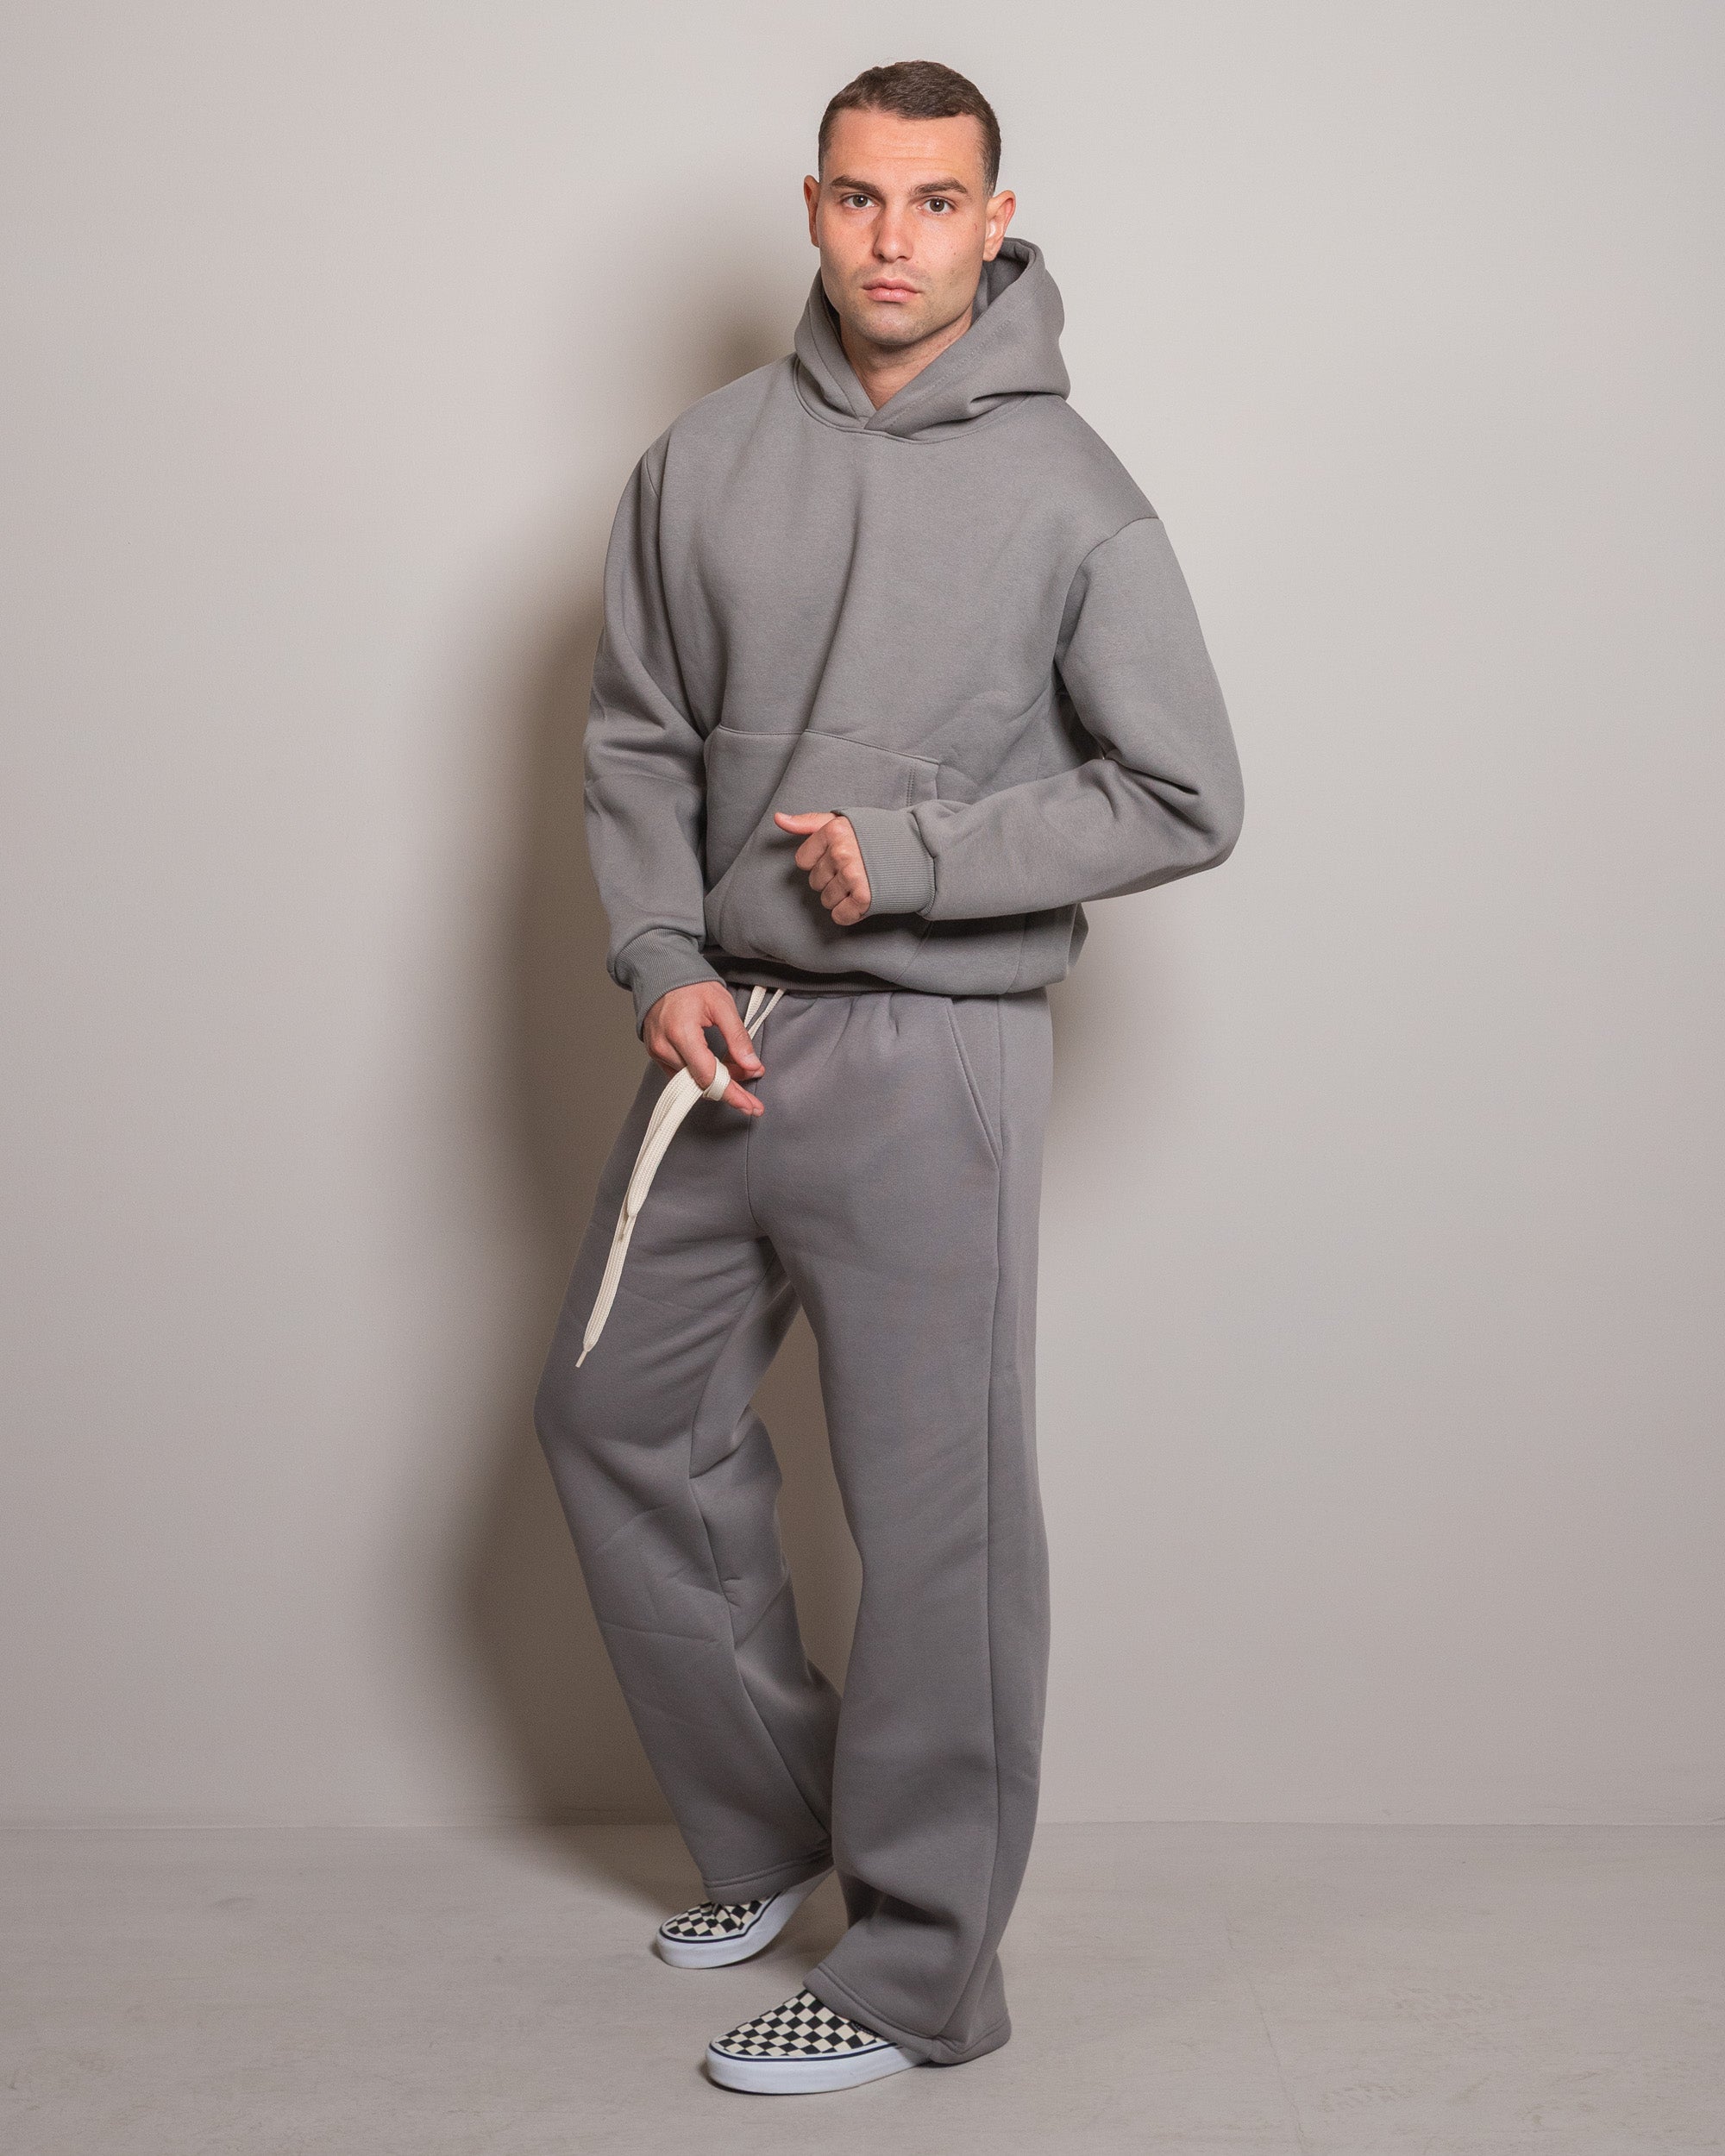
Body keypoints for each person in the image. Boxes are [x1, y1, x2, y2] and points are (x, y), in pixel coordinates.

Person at [533, 58, 1244, 2096]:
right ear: (813, 207)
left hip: (937, 1046)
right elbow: (636, 737)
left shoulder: (1071, 490)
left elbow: (1186, 790)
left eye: (936, 203)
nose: (894, 240)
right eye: (859, 198)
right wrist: (659, 951)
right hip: (722, 1032)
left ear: (995, 219)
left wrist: (921, 857)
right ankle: (780, 1827)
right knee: (614, 1416)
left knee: (937, 1524)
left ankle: (926, 1968)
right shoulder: (702, 457)